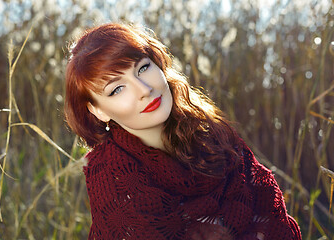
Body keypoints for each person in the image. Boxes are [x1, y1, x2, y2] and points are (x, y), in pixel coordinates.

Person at [64, 22, 302, 240]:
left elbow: (269, 214)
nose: (144, 89)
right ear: (97, 111)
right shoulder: (112, 179)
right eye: (117, 89)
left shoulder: (215, 136)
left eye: (143, 68)